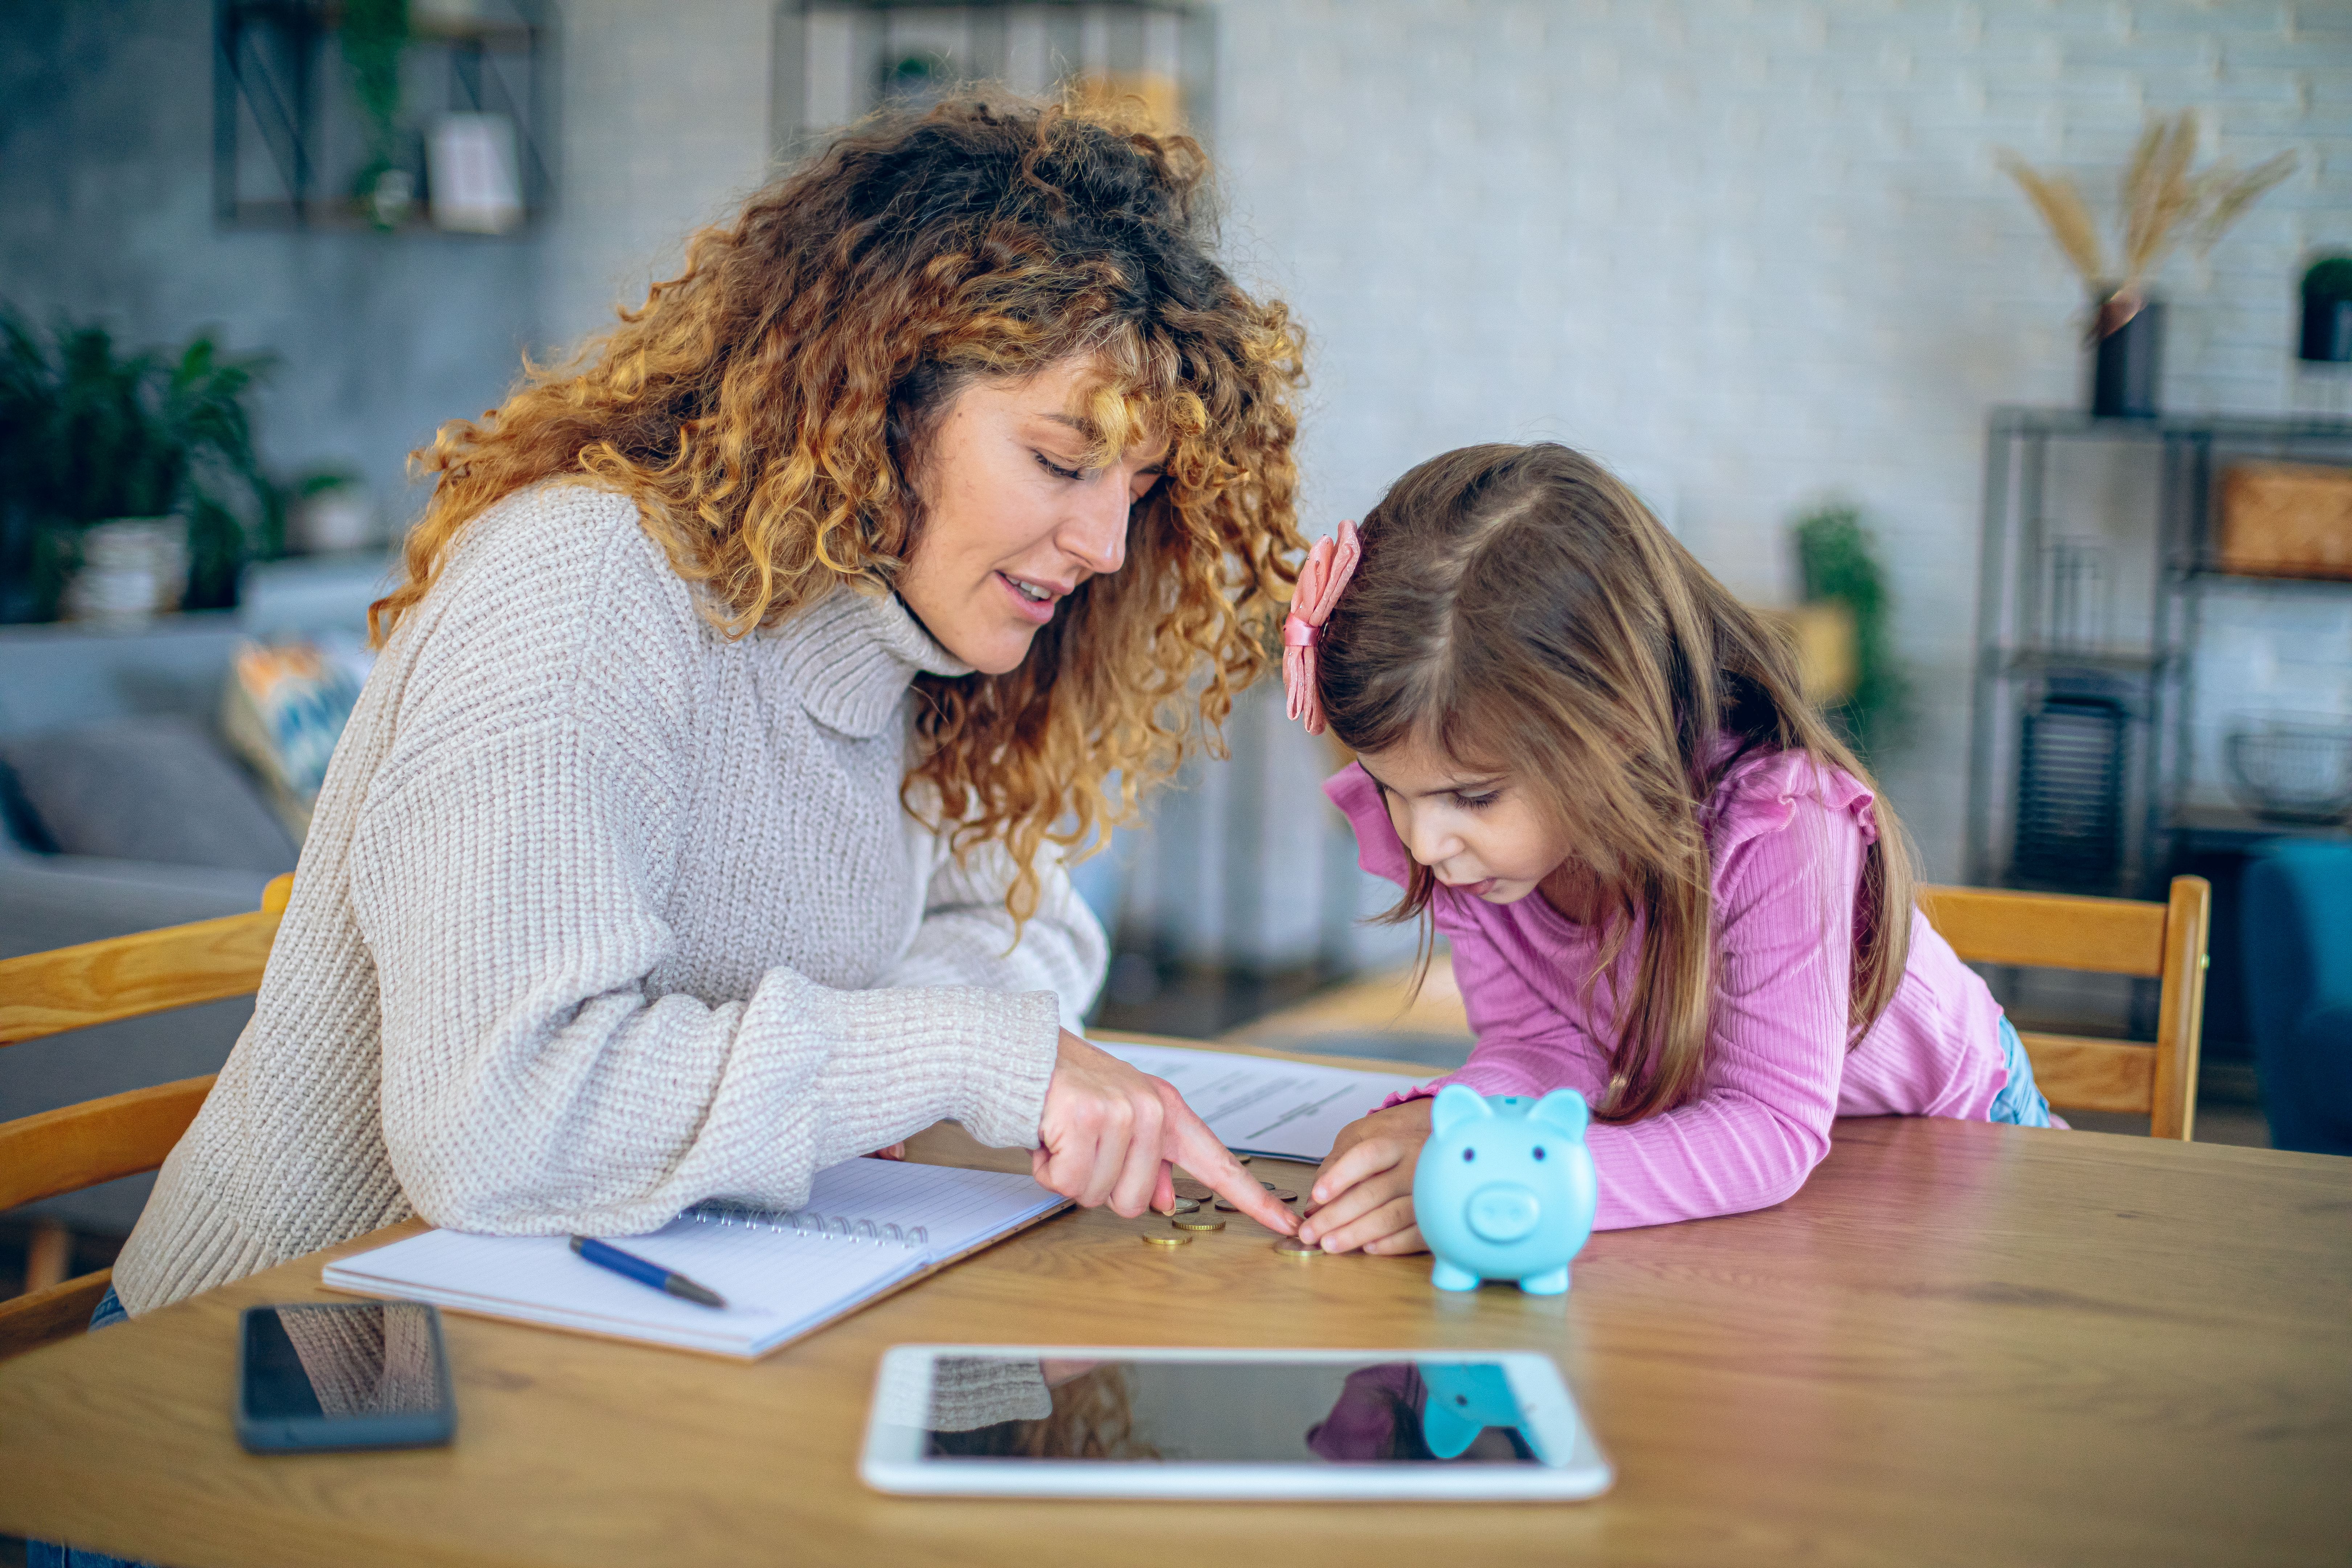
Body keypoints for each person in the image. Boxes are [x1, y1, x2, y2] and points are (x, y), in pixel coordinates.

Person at [106, 95, 1302, 1326]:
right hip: (270, 1370)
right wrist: (958, 1056)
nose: (1106, 543)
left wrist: (886, 1063)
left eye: (1139, 486)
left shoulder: (925, 647)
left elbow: (1032, 932)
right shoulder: (582, 586)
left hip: (584, 1345)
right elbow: (503, 1121)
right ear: (881, 395)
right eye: (1059, 461)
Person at [1282, 443, 2055, 1257]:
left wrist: (1528, 1179)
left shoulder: (1783, 827)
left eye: (1472, 797)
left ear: (1611, 731)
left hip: (1954, 1138)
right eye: (1392, 789)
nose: (1424, 841)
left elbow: (1767, 1130)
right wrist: (1459, 1131)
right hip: (1796, 1171)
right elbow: (1541, 1045)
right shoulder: (1483, 846)